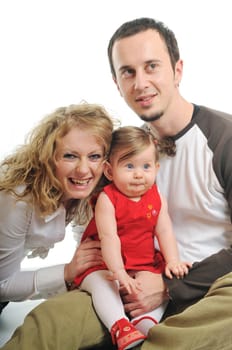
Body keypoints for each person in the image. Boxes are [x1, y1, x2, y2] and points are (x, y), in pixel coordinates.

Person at [1, 17, 232, 350]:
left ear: (177, 70)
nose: (140, 83)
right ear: (116, 82)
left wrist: (169, 285)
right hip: (126, 282)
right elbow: (92, 216)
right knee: (49, 321)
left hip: (206, 285)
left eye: (152, 66)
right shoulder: (118, 149)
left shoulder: (223, 139)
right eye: (128, 72)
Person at [74, 126, 191, 350]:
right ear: (109, 171)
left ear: (156, 168)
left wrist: (173, 259)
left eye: (146, 167)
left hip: (143, 260)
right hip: (106, 262)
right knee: (104, 285)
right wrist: (118, 272)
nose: (139, 174)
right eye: (129, 166)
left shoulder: (156, 196)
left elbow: (164, 230)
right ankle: (118, 325)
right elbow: (109, 238)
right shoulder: (107, 199)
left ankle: (147, 321)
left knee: (162, 282)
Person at [0, 103, 115, 311]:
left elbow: (86, 241)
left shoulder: (91, 190)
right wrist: (66, 272)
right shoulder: (18, 197)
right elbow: (1, 285)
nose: (83, 169)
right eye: (70, 156)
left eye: (94, 156)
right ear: (48, 157)